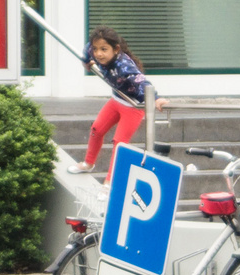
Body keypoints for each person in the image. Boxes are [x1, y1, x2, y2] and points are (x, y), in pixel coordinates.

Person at [68, 28, 167, 177]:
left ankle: (109, 182)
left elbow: (142, 83)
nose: (99, 54)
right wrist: (86, 61)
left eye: (104, 49)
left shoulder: (124, 66)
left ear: (116, 49)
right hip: (117, 100)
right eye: (96, 49)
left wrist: (157, 98)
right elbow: (87, 48)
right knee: (96, 129)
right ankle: (88, 164)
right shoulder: (93, 50)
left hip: (133, 106)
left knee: (119, 143)